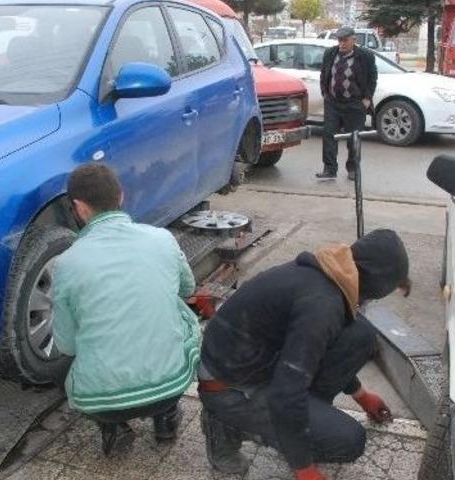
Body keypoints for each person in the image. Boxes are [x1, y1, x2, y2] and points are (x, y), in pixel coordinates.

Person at [198, 229, 412, 480]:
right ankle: (227, 426)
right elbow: (286, 393)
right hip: (229, 389)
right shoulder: (322, 305)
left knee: (360, 334)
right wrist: (304, 468)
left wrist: (361, 395)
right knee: (349, 440)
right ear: (377, 285)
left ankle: (302, 423)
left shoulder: (329, 273)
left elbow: (318, 349)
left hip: (260, 364)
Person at [52, 163, 200, 456]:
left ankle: (113, 427)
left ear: (79, 208)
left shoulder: (66, 263)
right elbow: (188, 289)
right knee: (181, 311)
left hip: (103, 400)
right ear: (121, 196)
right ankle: (166, 419)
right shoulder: (162, 239)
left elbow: (66, 345)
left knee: (67, 358)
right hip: (170, 384)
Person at [317, 26, 378, 181]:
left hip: (355, 104)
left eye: (345, 40)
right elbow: (324, 73)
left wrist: (367, 99)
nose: (342, 44)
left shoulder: (365, 56)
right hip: (333, 102)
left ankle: (353, 169)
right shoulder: (330, 53)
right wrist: (325, 93)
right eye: (339, 40)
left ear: (353, 40)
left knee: (353, 138)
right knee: (329, 135)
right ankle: (329, 169)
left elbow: (372, 77)